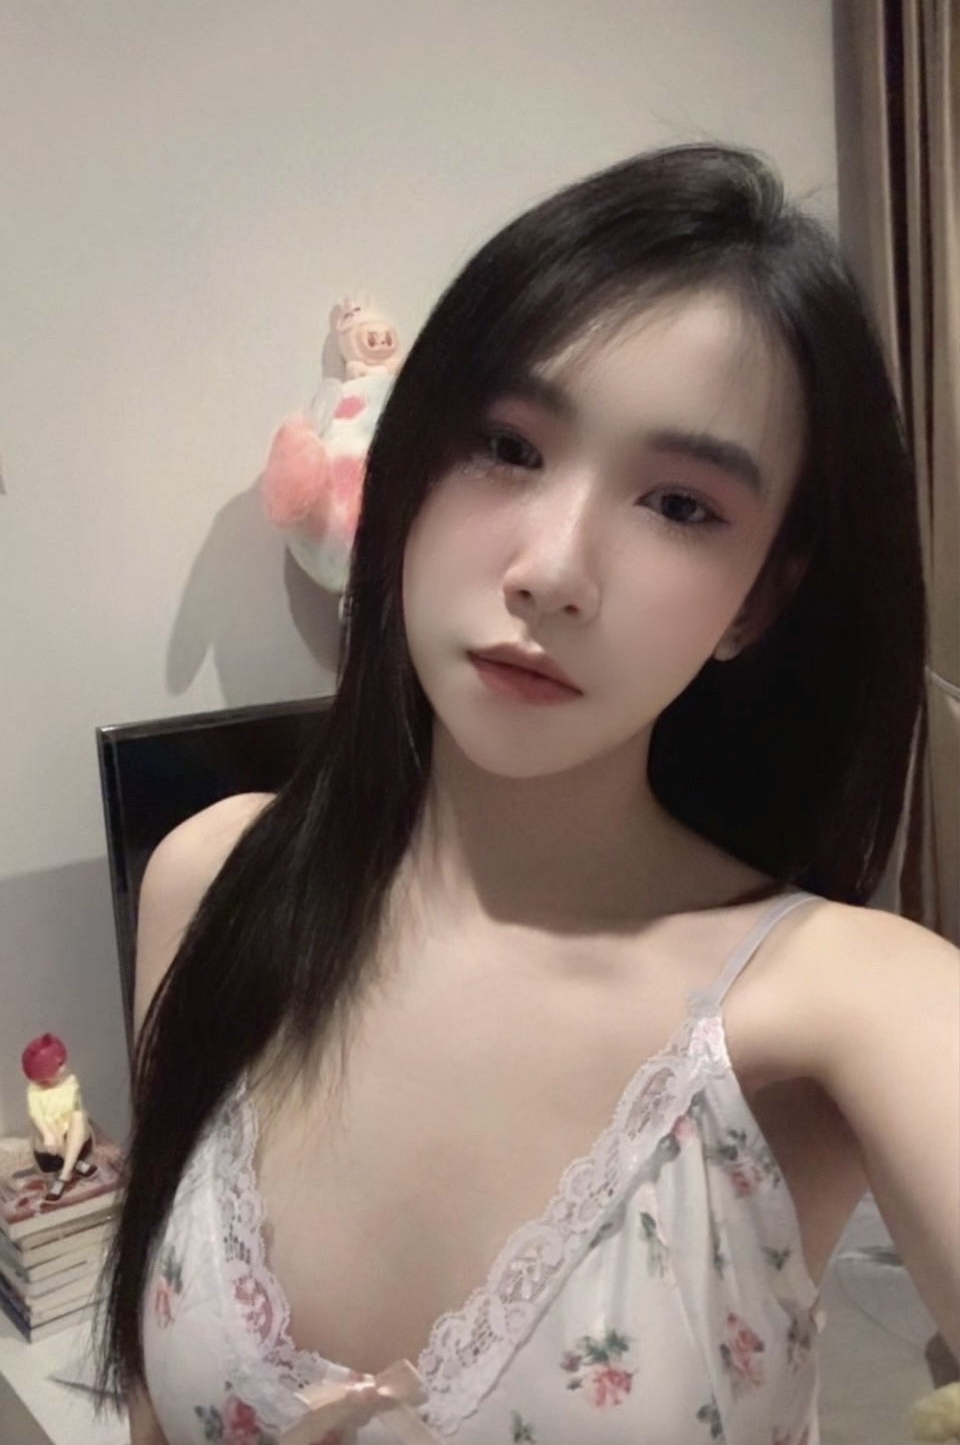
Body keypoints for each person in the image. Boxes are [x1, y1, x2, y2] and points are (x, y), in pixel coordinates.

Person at [98, 145, 959, 1445]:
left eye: (681, 504)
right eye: (505, 445)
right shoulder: (212, 882)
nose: (554, 569)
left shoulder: (835, 1007)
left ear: (757, 602)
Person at [21, 1032, 98, 1201]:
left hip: (73, 1126)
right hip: (51, 1129)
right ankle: (74, 1165)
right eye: (58, 1064)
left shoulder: (71, 1081)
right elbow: (36, 1114)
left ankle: (64, 1176)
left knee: (78, 1117)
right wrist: (47, 1133)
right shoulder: (34, 1091)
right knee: (51, 1128)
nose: (64, 1067)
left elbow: (76, 1106)